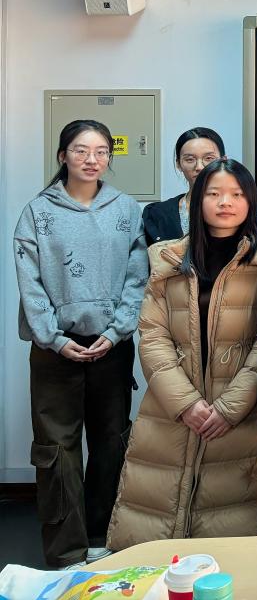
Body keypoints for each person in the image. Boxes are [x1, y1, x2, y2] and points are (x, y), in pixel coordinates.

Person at [108, 160, 257, 548]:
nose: (225, 202)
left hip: (240, 412)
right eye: (214, 194)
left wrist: (230, 407)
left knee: (229, 533)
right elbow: (152, 335)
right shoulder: (166, 259)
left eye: (236, 194)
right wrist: (185, 403)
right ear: (197, 200)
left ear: (251, 201)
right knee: (154, 525)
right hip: (171, 411)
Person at [14, 119, 147, 568]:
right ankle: (66, 549)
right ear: (62, 156)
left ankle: (100, 536)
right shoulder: (38, 212)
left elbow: (137, 278)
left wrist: (116, 331)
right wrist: (53, 338)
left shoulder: (126, 209)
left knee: (111, 442)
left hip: (111, 346)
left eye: (101, 151)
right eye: (80, 150)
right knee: (57, 450)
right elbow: (30, 283)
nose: (92, 160)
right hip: (55, 350)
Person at [142, 127, 225, 246]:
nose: (199, 167)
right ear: (178, 164)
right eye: (190, 159)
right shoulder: (158, 214)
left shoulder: (241, 209)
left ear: (223, 161)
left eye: (209, 158)